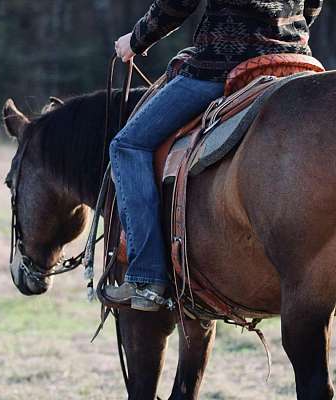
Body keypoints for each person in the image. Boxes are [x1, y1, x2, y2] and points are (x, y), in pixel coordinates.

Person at [105, 0, 323, 311]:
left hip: (224, 66)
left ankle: (146, 278)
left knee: (127, 145)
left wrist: (136, 40)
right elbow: (313, 5)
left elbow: (176, 4)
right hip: (295, 61)